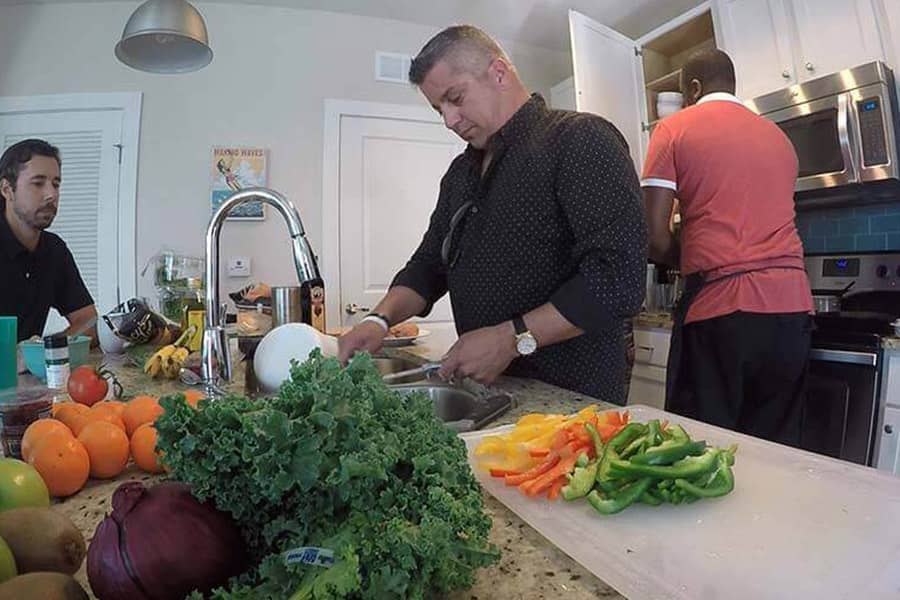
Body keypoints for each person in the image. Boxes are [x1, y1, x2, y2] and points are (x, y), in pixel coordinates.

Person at [338, 25, 647, 404]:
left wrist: (510, 339)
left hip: (572, 398)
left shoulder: (579, 140)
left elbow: (618, 279)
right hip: (492, 392)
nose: (450, 120)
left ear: (498, 73)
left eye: (456, 98)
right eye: (440, 109)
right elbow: (428, 266)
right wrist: (378, 320)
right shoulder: (460, 174)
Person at [641, 49, 813, 445]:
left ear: (695, 88)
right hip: (791, 313)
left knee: (703, 449)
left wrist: (688, 258)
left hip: (722, 311)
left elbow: (654, 235)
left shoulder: (673, 129)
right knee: (774, 451)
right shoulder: (779, 138)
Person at [0, 139, 97, 343]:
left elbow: (89, 322)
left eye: (56, 184)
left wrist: (43, 351)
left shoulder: (54, 250)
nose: (51, 194)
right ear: (7, 189)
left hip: (29, 373)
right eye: (38, 183)